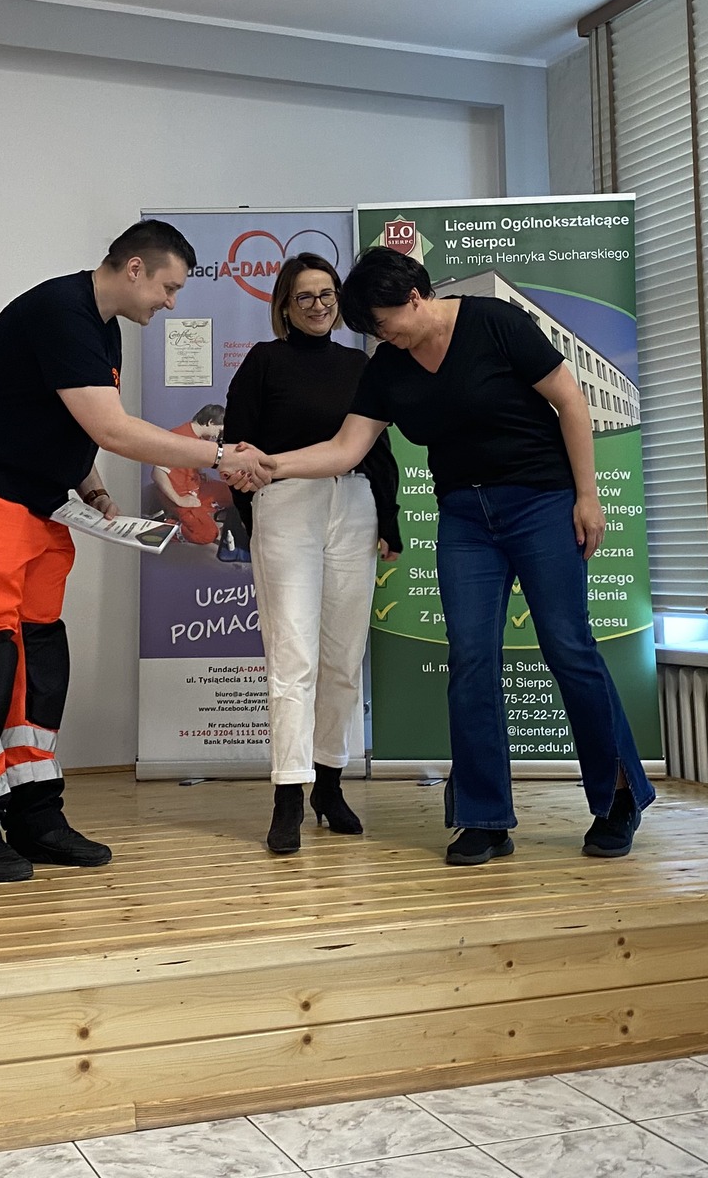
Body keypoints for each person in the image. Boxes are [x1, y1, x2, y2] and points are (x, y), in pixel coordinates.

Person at [265, 247, 654, 867]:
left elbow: (571, 400)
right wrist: (271, 465)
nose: (382, 336)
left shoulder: (494, 322)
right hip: (466, 518)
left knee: (568, 647)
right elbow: (345, 449)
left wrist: (587, 496)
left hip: (541, 502)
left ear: (414, 297)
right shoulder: (389, 365)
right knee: (471, 660)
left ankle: (617, 795)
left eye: (384, 322)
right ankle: (484, 817)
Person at [0, 220, 270, 883]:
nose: (171, 303)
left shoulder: (102, 327)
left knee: (39, 659)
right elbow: (112, 428)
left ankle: (35, 816)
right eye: (169, 287)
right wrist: (220, 455)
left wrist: (93, 489)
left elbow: (69, 421)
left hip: (42, 502)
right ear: (135, 268)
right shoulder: (60, 311)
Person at [223, 253, 400, 855]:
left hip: (355, 506)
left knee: (343, 659)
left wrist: (389, 519)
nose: (319, 306)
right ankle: (288, 794)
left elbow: (377, 449)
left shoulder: (360, 364)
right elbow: (238, 449)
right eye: (306, 296)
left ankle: (329, 782)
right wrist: (258, 518)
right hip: (286, 507)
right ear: (285, 305)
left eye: (328, 295)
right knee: (292, 657)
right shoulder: (264, 361)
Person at [152, 403, 234, 549]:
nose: (218, 436)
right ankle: (163, 523)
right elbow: (157, 473)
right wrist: (180, 500)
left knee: (234, 493)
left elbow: (185, 464)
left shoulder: (197, 438)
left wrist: (199, 473)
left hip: (196, 488)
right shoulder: (179, 438)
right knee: (207, 534)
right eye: (219, 430)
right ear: (210, 422)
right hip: (180, 495)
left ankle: (200, 514)